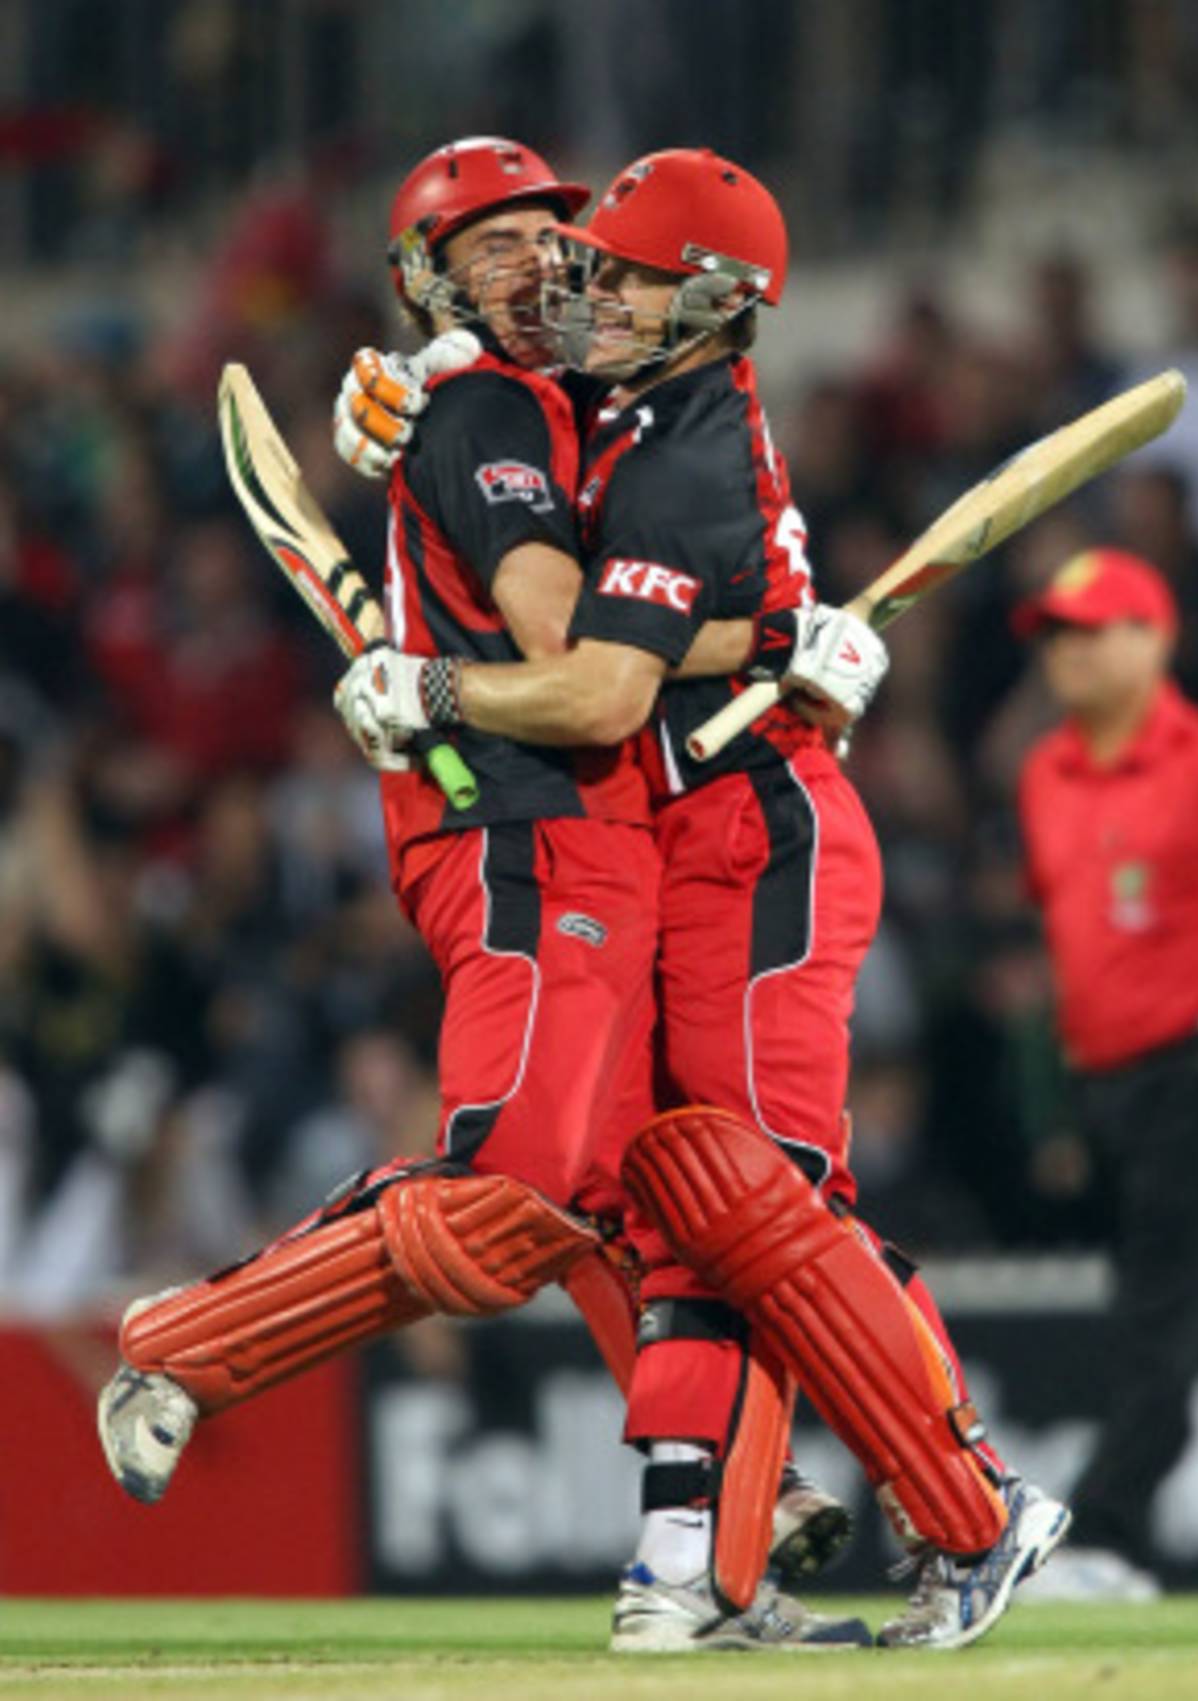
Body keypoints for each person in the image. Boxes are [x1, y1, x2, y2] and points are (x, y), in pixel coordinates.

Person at [96, 135, 873, 1654]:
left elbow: (683, 532)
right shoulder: (490, 408)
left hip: (617, 831)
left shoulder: (586, 392)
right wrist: (779, 639)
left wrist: (779, 610)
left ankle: (711, 1539)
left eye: (548, 236)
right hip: (519, 823)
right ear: (422, 280)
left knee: (639, 1192)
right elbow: (577, 657)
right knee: (519, 1181)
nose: (531, 263)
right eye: (488, 246)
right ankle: (182, 1346)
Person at [335, 145, 1070, 1650]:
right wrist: (404, 404)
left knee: (758, 1200)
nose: (585, 289)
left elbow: (603, 684)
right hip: (680, 839)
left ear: (713, 302)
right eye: (585, 264)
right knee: (691, 1208)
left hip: (760, 828)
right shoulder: (613, 400)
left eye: (622, 273)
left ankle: (957, 1511)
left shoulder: (675, 441)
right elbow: (509, 443)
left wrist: (438, 686)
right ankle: (707, 1562)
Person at [1013, 545, 1198, 1600]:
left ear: (1151, 638)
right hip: (1113, 1082)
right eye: (1054, 634)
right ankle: (1106, 1537)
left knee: (1156, 1311)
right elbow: (1074, 943)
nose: (1065, 653)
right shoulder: (1044, 774)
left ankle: (1104, 1537)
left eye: (1089, 630)